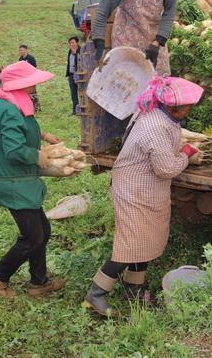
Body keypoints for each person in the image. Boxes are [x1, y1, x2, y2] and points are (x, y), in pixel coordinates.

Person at [83, 76, 204, 317]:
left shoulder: (161, 115)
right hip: (134, 190)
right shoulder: (156, 126)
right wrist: (187, 154)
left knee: (147, 240)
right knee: (130, 245)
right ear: (172, 106)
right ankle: (96, 294)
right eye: (187, 106)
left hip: (148, 188)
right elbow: (166, 169)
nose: (190, 109)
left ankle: (133, 290)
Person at [0, 61, 66, 299]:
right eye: (32, 83)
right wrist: (36, 155)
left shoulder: (8, 101)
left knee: (42, 230)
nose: (35, 86)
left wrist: (42, 135)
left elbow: (15, 129)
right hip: (14, 182)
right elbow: (12, 149)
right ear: (21, 84)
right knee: (33, 236)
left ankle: (38, 281)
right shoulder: (9, 108)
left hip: (21, 180)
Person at [17, 45, 40, 112]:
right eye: (20, 50)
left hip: (31, 78)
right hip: (24, 79)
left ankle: (37, 108)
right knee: (26, 93)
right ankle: (29, 108)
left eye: (22, 50)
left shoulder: (30, 58)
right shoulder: (20, 59)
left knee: (33, 93)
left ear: (26, 50)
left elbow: (34, 68)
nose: (20, 51)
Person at [65, 36, 80, 115]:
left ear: (77, 43)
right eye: (70, 43)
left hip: (79, 75)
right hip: (71, 75)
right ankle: (75, 110)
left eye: (73, 43)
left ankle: (82, 109)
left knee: (81, 92)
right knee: (73, 93)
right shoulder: (69, 51)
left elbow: (82, 61)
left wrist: (76, 54)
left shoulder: (81, 50)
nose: (71, 44)